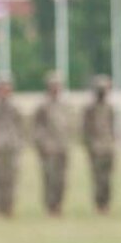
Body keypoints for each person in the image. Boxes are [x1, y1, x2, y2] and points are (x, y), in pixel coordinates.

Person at [32, 71, 71, 216]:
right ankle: (50, 206)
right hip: (49, 149)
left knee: (62, 179)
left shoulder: (64, 105)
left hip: (62, 147)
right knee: (49, 178)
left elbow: (68, 126)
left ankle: (59, 205)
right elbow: (36, 128)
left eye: (58, 85)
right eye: (53, 85)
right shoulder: (43, 106)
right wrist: (43, 144)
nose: (56, 88)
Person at [0, 73, 23, 217]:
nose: (5, 90)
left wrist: (19, 142)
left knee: (11, 178)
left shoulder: (15, 106)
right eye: (2, 87)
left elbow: (20, 126)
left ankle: (9, 206)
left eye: (7, 86)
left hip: (12, 145)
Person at [81, 74, 116, 214]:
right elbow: (86, 130)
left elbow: (112, 128)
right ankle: (99, 204)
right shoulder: (90, 109)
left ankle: (106, 204)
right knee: (97, 178)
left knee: (107, 178)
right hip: (95, 148)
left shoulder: (110, 108)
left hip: (108, 147)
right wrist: (90, 146)